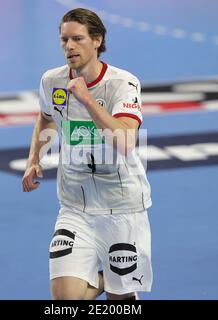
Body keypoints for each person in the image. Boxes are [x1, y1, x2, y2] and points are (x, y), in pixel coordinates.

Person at [22, 8, 152, 300]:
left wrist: (87, 100)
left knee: (121, 302)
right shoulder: (51, 81)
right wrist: (34, 160)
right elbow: (45, 117)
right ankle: (108, 278)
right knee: (66, 300)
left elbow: (126, 140)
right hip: (74, 205)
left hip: (122, 207)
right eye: (64, 39)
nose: (69, 46)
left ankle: (111, 281)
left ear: (97, 40)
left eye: (77, 39)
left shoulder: (123, 83)